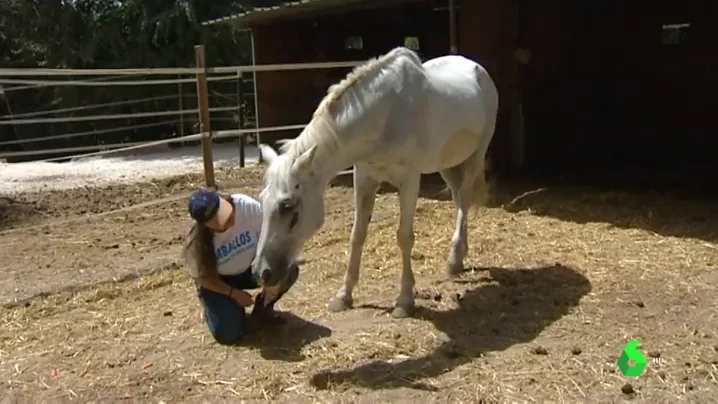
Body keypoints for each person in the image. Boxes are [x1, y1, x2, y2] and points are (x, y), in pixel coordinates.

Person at [182, 188, 299, 345]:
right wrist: (234, 294)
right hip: (221, 281)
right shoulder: (196, 240)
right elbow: (204, 278)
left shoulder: (246, 206)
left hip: (250, 269)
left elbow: (272, 241)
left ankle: (264, 307)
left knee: (287, 268)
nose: (230, 219)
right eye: (221, 221)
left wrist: (271, 284)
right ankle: (220, 311)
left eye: (227, 213)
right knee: (229, 334)